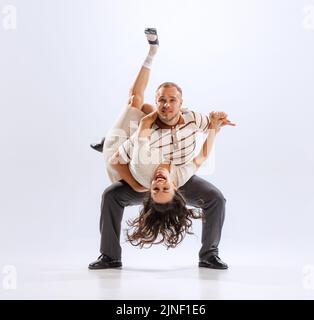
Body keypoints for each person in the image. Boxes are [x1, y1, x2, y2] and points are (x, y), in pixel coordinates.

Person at [89, 28, 235, 270]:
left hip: (169, 180)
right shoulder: (147, 144)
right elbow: (122, 155)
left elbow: (204, 148)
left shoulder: (191, 120)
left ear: (182, 102)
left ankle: (209, 255)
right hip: (141, 176)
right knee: (112, 194)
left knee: (215, 198)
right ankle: (110, 256)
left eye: (172, 101)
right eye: (162, 101)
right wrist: (138, 185)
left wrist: (216, 124)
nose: (166, 105)